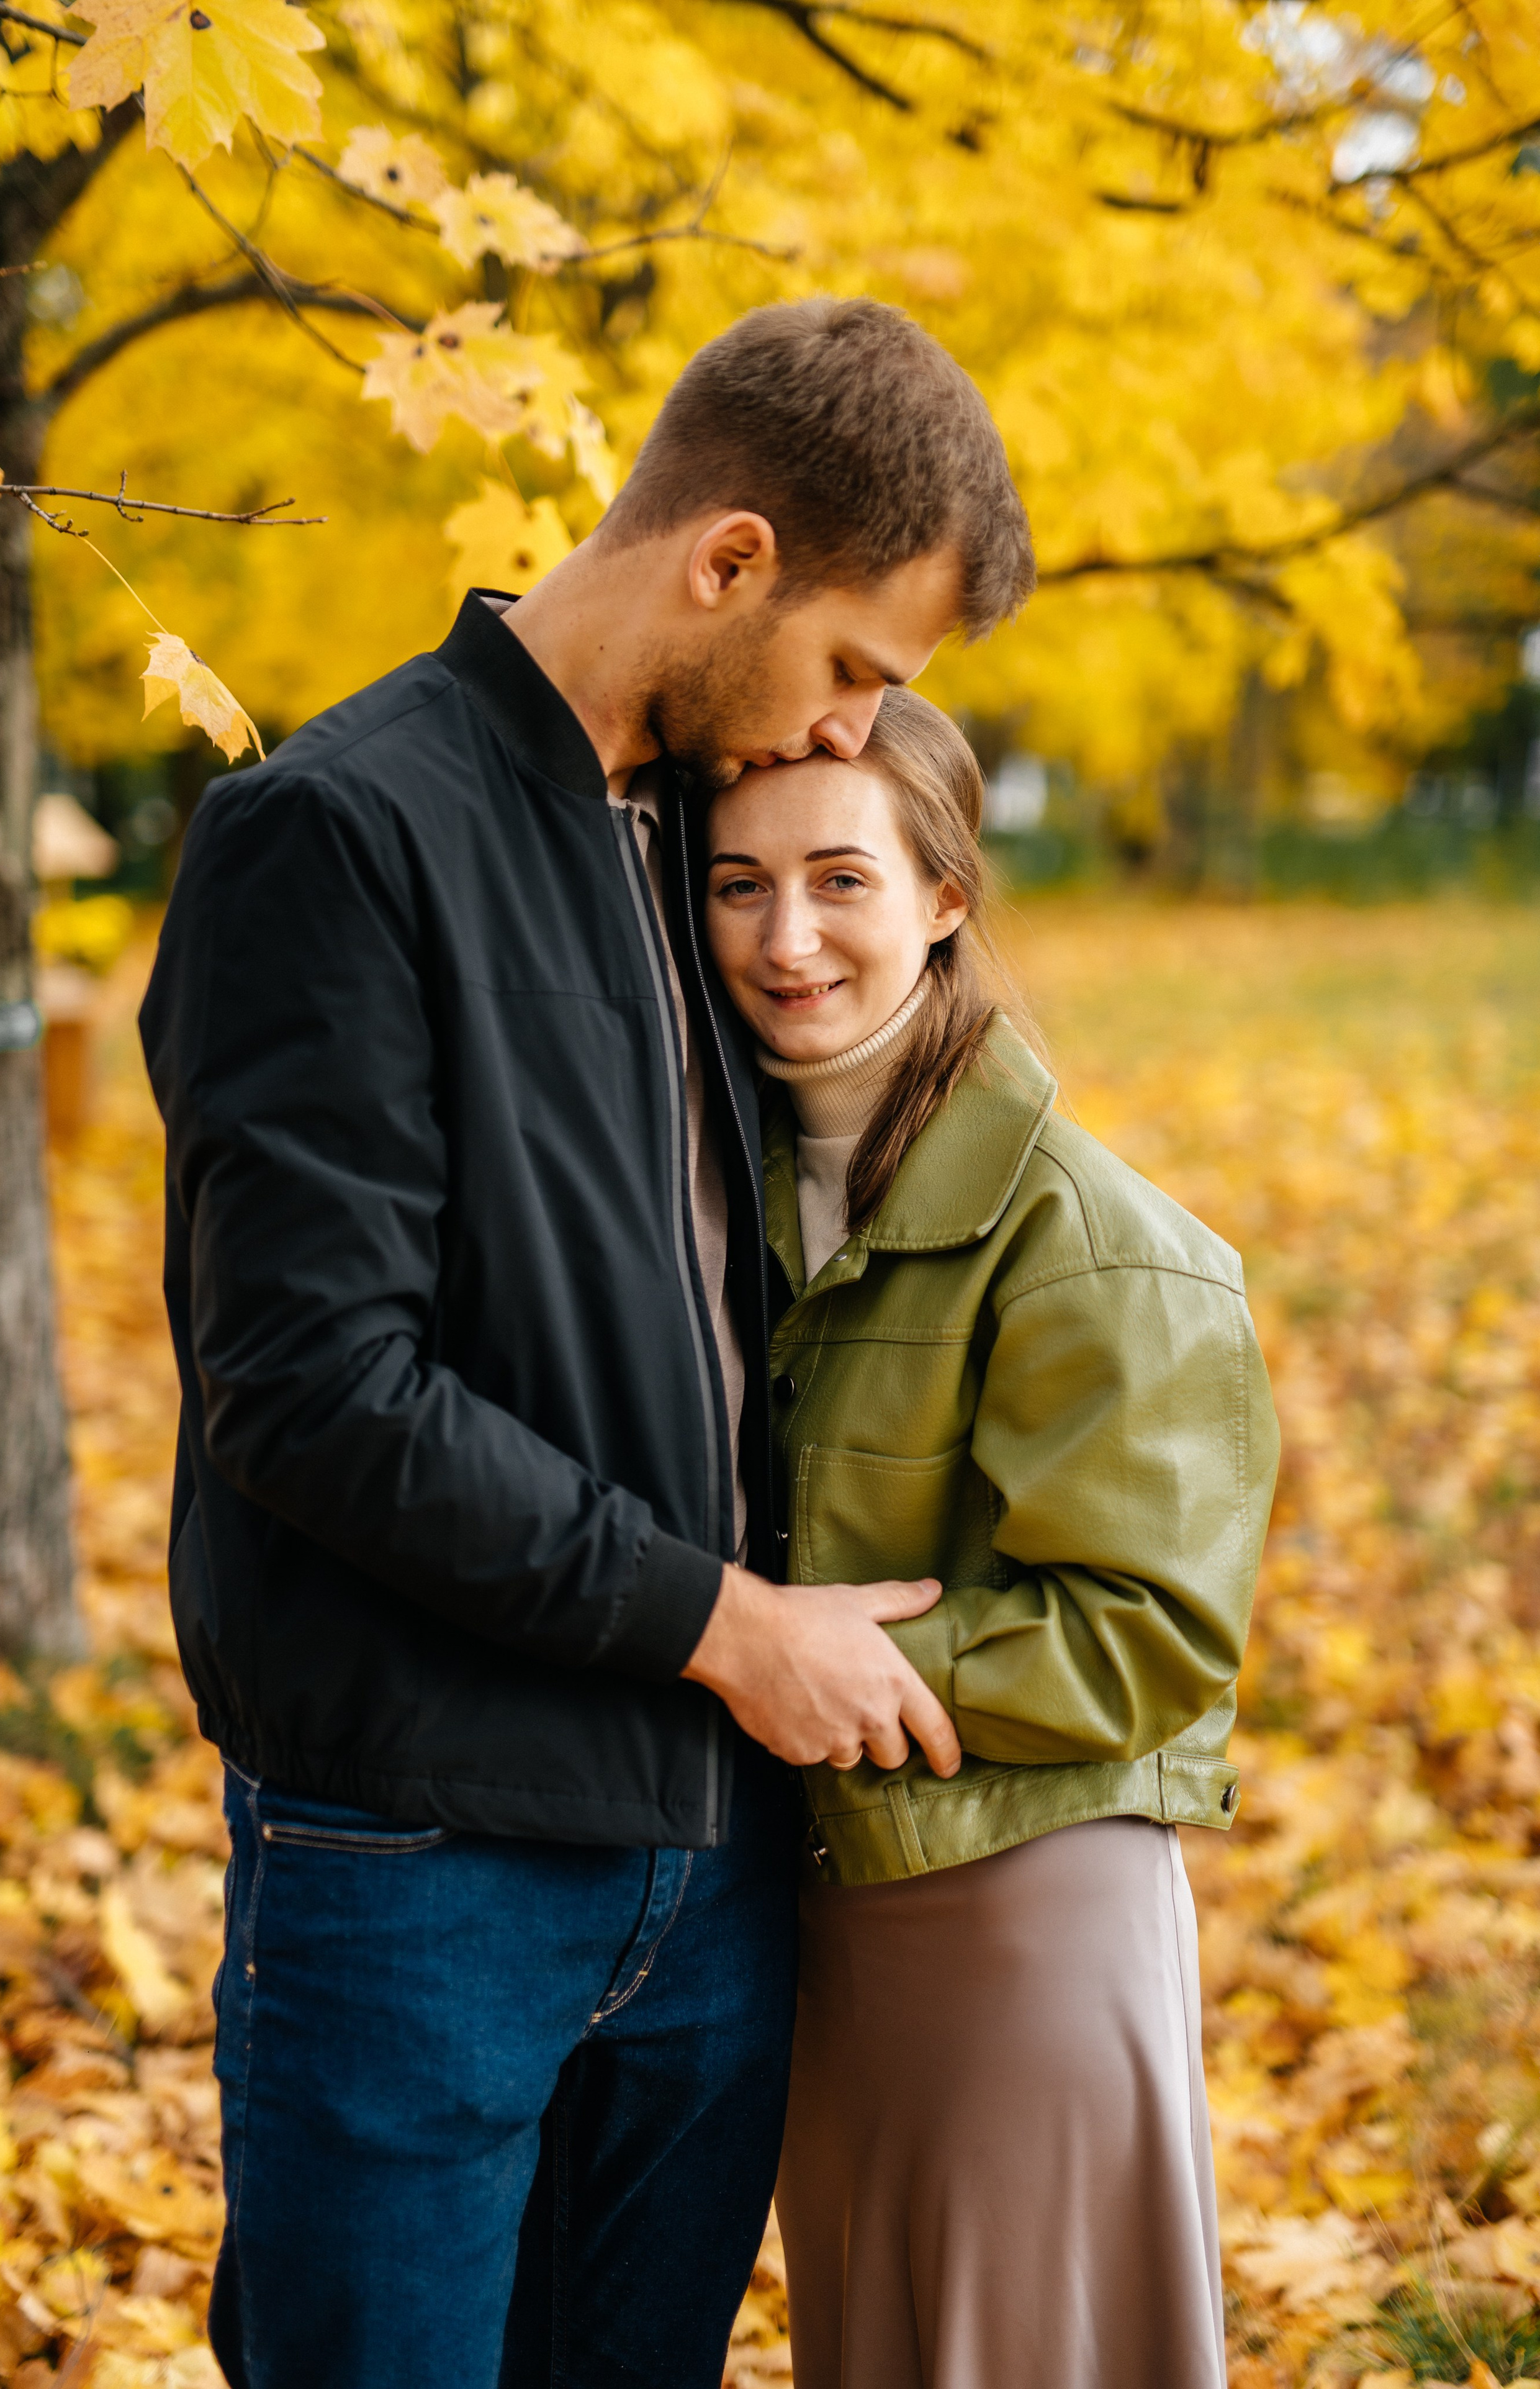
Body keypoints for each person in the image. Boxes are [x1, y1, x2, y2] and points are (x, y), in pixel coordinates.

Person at [138, 299, 1035, 2389]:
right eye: (850, 673)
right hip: (420, 1871)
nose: (843, 737)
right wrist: (731, 1623)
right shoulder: (338, 838)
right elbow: (311, 1391)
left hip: (706, 1869)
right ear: (726, 562)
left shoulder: (693, 853)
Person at [704, 686, 1281, 2389]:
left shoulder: (1095, 1241)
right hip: (823, 1904)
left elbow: (1148, 1632)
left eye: (841, 880)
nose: (789, 937)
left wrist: (805, 1666)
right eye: (738, 886)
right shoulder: (715, 1189)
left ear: (945, 894)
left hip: (1018, 1905)